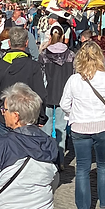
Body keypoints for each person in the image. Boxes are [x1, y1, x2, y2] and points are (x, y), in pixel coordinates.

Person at [60, 41, 105, 209]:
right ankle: (104, 205)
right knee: (104, 165)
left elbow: (64, 103)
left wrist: (71, 114)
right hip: (104, 125)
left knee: (82, 168)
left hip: (80, 127)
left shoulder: (73, 80)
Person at [0, 26, 46, 137]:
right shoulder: (33, 66)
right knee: (24, 150)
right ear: (27, 43)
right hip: (26, 115)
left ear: (9, 43)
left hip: (5, 113)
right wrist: (41, 117)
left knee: (6, 148)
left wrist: (5, 99)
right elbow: (40, 94)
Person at [40, 25, 75, 159]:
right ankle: (60, 158)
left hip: (48, 94)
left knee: (46, 128)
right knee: (61, 128)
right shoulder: (71, 55)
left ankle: (48, 157)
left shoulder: (44, 55)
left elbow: (42, 78)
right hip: (64, 95)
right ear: (62, 37)